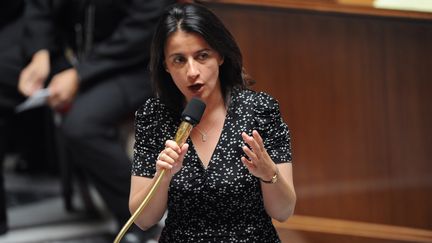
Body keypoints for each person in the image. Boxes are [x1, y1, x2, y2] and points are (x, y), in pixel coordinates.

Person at [129, 3, 297, 242]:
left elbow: (283, 212)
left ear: (220, 55)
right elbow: (143, 220)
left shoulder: (260, 109)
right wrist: (162, 177)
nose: (192, 72)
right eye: (179, 60)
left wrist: (269, 173)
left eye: (202, 56)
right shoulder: (154, 116)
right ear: (165, 66)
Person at [18, 0, 174, 241]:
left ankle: (140, 219)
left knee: (82, 126)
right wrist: (40, 53)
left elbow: (142, 29)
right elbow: (41, 7)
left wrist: (80, 74)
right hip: (73, 56)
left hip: (137, 65)